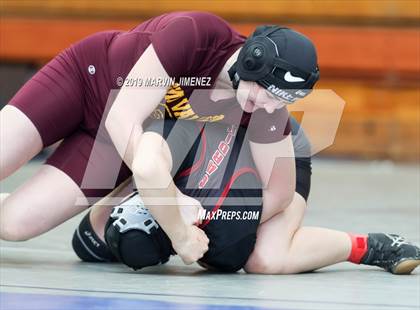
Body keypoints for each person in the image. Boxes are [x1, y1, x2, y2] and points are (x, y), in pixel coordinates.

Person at [1, 11, 418, 274]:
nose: (265, 103)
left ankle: (368, 246)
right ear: (251, 60)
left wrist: (214, 219)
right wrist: (172, 210)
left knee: (14, 225)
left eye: (279, 100)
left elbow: (280, 191)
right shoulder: (195, 34)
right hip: (90, 82)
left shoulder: (268, 110)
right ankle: (128, 207)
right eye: (263, 91)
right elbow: (121, 116)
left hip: (134, 140)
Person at [73, 117, 420, 274]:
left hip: (275, 150)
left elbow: (278, 197)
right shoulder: (100, 234)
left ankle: (371, 245)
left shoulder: (161, 149)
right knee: (237, 250)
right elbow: (87, 237)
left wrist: (228, 226)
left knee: (264, 259)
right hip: (214, 173)